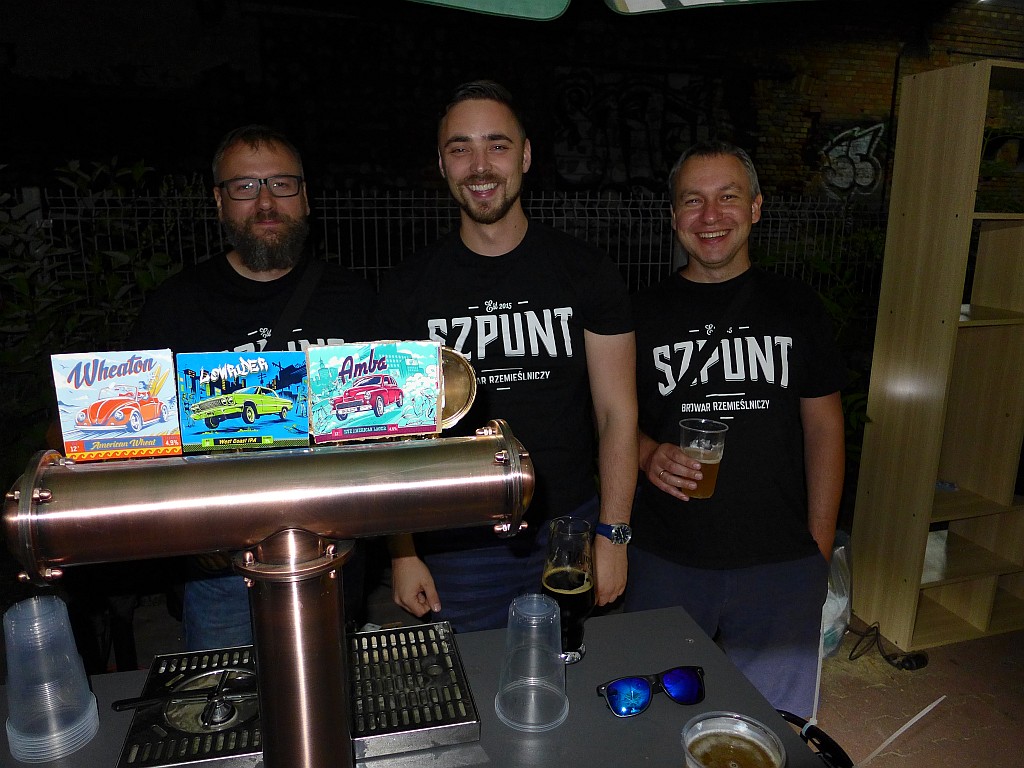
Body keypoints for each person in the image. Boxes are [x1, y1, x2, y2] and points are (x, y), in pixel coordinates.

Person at [376, 80, 638, 632]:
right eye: (460, 148)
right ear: (442, 164)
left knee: (574, 671)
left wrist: (613, 534)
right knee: (473, 678)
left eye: (497, 145)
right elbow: (395, 435)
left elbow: (617, 414)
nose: (480, 166)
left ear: (525, 155)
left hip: (569, 530)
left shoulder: (585, 271)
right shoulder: (407, 289)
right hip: (457, 544)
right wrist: (403, 552)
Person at [127, 124, 376, 651]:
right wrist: (194, 532)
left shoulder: (355, 298)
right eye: (245, 187)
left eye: (281, 184)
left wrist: (403, 551)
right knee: (230, 693)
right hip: (224, 569)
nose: (265, 202)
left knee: (329, 687)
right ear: (219, 202)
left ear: (305, 197)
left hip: (332, 552)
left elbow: (394, 433)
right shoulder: (175, 307)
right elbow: (144, 438)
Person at [626, 140, 846, 718]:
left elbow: (825, 430)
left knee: (771, 727)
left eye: (728, 197)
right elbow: (610, 421)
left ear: (755, 207)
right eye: (692, 200)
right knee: (656, 719)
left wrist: (818, 551)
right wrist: (647, 453)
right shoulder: (638, 314)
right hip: (665, 559)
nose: (710, 216)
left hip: (779, 562)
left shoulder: (796, 306)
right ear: (674, 216)